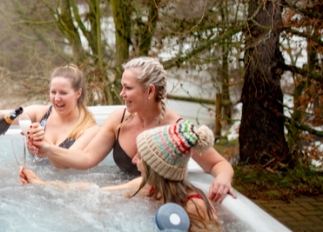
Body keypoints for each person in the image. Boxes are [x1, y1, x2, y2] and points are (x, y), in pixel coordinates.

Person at [29, 57, 235, 203]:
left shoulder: (176, 131)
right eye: (122, 87)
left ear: (150, 91)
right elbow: (85, 158)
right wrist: (47, 149)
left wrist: (222, 179)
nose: (121, 93)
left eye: (128, 88)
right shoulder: (119, 119)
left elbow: (218, 164)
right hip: (125, 196)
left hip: (155, 200)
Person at [20, 120, 223, 232]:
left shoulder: (194, 206)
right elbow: (93, 190)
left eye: (141, 157)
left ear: (157, 167)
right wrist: (42, 184)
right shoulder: (147, 186)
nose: (134, 161)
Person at [0, 65, 99, 168]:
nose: (57, 98)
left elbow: (66, 166)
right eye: (53, 92)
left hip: (66, 186)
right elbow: (10, 116)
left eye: (63, 93)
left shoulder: (89, 129)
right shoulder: (41, 113)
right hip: (34, 179)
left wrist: (44, 143)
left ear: (78, 93)